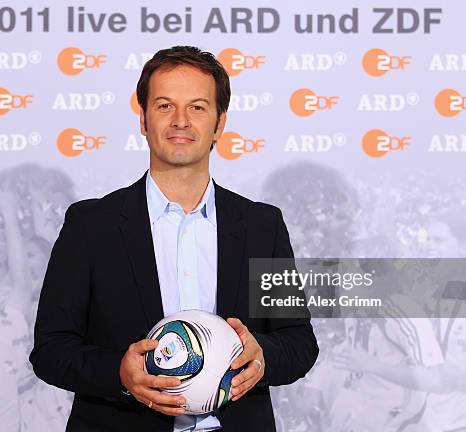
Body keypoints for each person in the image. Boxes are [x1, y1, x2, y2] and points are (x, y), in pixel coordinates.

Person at [29, 45, 319, 432]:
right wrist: (120, 374)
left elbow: (299, 342)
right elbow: (51, 350)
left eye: (197, 107)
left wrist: (262, 356)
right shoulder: (90, 225)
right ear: (144, 120)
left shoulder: (261, 226)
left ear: (219, 123)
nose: (180, 120)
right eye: (165, 106)